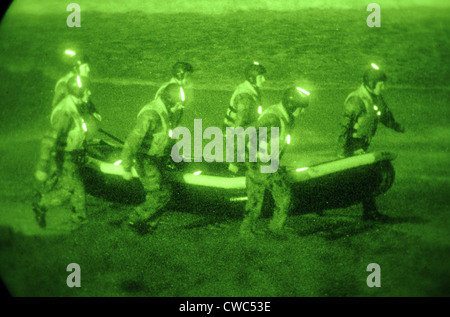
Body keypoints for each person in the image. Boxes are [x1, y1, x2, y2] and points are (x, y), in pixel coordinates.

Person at [240, 86, 310, 239]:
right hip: (263, 164)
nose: (303, 112)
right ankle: (276, 228)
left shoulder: (284, 116)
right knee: (284, 196)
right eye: (301, 108)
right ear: (292, 105)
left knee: (254, 199)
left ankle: (246, 231)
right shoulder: (273, 118)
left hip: (259, 163)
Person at [337, 64, 405, 221]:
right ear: (371, 83)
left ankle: (328, 202)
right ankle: (370, 212)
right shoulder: (356, 100)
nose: (383, 87)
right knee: (364, 176)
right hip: (352, 144)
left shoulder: (375, 97)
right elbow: (344, 128)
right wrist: (341, 151)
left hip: (362, 143)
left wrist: (396, 126)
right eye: (381, 84)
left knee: (354, 177)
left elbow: (383, 115)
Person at [121, 83, 185, 235]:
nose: (179, 106)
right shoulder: (151, 114)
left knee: (160, 192)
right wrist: (126, 166)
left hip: (157, 158)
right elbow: (133, 141)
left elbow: (165, 134)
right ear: (169, 100)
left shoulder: (165, 111)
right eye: (177, 103)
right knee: (162, 194)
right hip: (145, 159)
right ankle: (132, 220)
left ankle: (148, 226)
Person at [33, 75, 91, 228]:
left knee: (74, 188)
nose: (89, 93)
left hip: (71, 154)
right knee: (73, 189)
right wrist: (42, 166)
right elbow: (49, 139)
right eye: (86, 90)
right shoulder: (65, 112)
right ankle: (45, 204)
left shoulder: (75, 107)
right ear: (79, 92)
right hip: (65, 156)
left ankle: (77, 218)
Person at [223, 62, 267, 174]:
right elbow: (239, 126)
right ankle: (234, 172)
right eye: (260, 77)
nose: (264, 80)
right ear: (252, 79)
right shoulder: (245, 97)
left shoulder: (251, 90)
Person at [52, 49, 102, 124]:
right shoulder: (65, 84)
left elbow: (85, 99)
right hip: (64, 122)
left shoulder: (80, 81)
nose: (88, 69)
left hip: (75, 120)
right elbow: (62, 106)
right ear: (76, 69)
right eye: (85, 67)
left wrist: (93, 111)